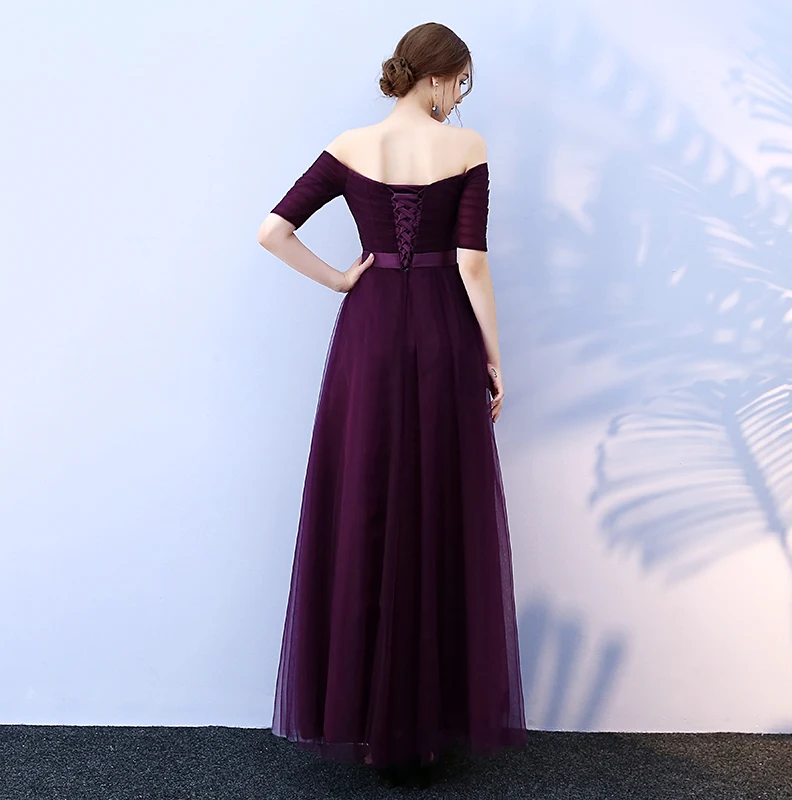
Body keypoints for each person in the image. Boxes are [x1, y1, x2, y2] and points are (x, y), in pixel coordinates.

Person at [257, 21, 527, 789]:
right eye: (460, 83)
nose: (459, 98)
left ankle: (367, 724)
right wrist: (494, 355)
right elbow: (472, 264)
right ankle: (426, 725)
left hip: (369, 336)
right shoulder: (466, 149)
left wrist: (343, 279)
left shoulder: (350, 145)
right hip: (442, 334)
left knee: (366, 506)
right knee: (437, 508)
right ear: (439, 77)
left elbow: (273, 231)